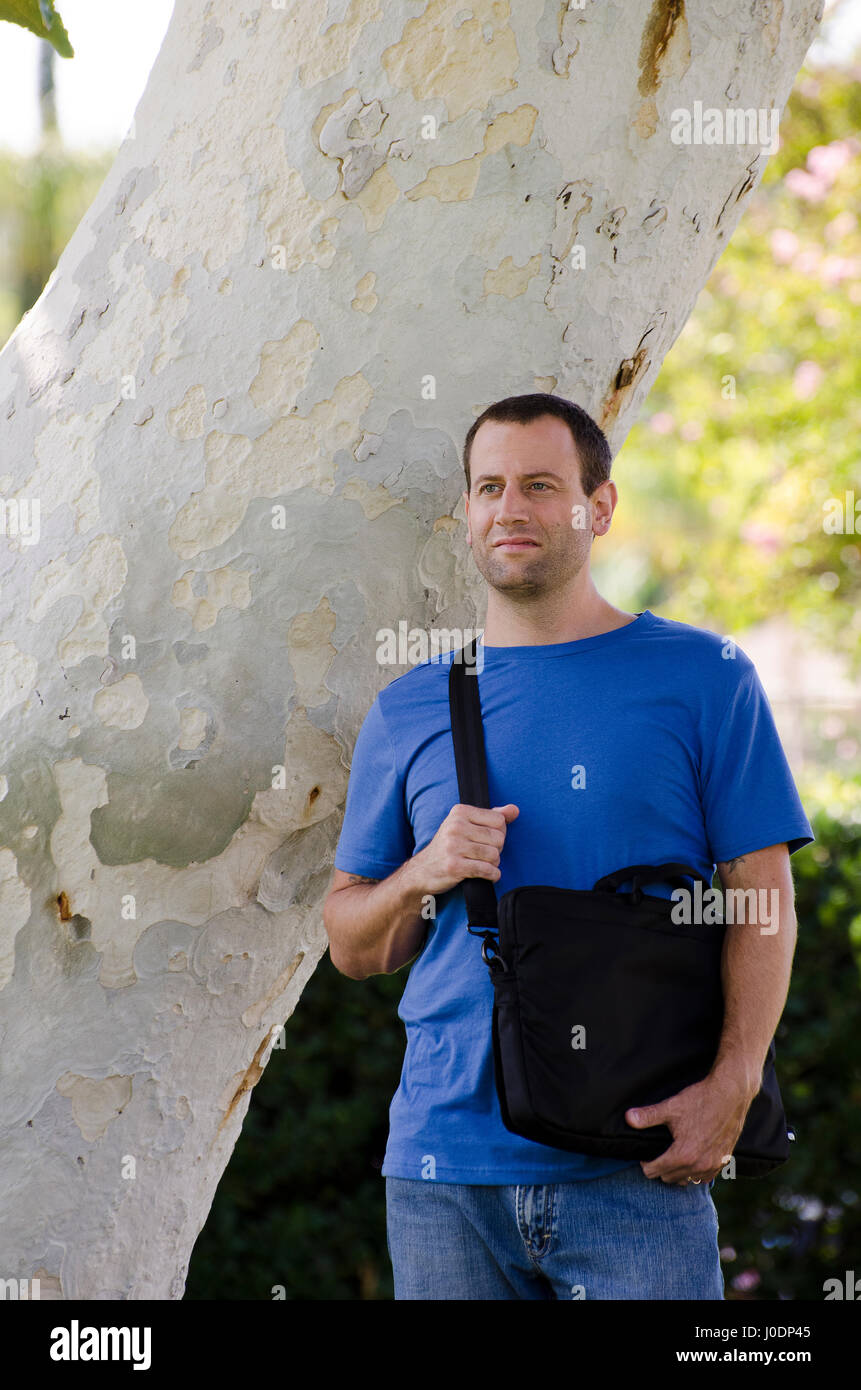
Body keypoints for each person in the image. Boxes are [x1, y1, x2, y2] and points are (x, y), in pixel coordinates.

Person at [322, 392, 814, 1300]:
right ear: (466, 512)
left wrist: (733, 1083)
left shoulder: (703, 678)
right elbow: (354, 945)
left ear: (600, 505)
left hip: (637, 1165)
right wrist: (426, 871)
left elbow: (762, 894)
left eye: (541, 486)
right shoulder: (409, 708)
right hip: (444, 1177)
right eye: (489, 488)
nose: (510, 509)